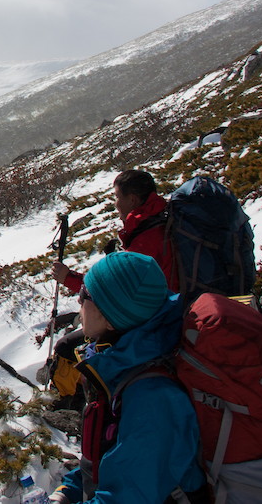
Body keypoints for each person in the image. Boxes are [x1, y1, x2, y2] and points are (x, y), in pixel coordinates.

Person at [48, 252, 208, 504]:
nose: (78, 301)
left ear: (111, 318)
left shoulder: (151, 398)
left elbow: (126, 496)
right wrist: (71, 489)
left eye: (84, 295)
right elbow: (113, 458)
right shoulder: (124, 363)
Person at [44, 170, 173, 405]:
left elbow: (119, 292)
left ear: (132, 200)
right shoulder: (157, 221)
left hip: (145, 320)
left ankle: (71, 404)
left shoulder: (147, 238)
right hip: (159, 312)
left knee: (67, 348)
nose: (115, 204)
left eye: (117, 197)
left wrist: (69, 278)